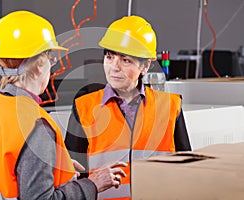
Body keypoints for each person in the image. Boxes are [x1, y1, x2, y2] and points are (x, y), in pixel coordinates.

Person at [0, 10, 127, 200]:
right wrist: (92, 185)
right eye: (51, 60)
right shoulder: (35, 125)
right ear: (40, 65)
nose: (51, 67)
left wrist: (51, 165)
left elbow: (8, 172)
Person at [65, 15, 192, 200]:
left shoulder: (171, 107)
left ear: (145, 66)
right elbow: (72, 176)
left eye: (125, 60)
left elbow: (188, 171)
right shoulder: (84, 108)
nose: (114, 67)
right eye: (109, 57)